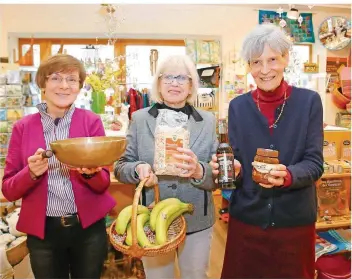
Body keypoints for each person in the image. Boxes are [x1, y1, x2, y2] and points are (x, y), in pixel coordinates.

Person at [210, 24, 324, 279]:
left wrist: (288, 175)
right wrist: (234, 169)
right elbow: (238, 162)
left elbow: (315, 163)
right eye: (256, 62)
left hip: (294, 223)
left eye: (272, 59)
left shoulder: (309, 102)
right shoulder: (238, 107)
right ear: (248, 66)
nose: (264, 70)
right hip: (247, 221)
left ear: (285, 58)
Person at [2, 54, 116, 279]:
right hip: (43, 233)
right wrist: (31, 173)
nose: (64, 86)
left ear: (79, 86)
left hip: (88, 230)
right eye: (56, 78)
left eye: (72, 79)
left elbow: (103, 183)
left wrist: (91, 174)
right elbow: (9, 189)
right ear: (43, 84)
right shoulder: (22, 127)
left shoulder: (90, 121)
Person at [115, 54, 218, 279]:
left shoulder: (208, 120)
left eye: (182, 77)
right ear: (158, 83)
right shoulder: (140, 119)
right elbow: (121, 166)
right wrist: (138, 168)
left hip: (196, 217)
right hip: (153, 219)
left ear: (191, 85)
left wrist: (200, 170)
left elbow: (217, 175)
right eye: (168, 77)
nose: (174, 83)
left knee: (196, 275)